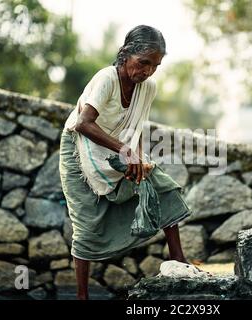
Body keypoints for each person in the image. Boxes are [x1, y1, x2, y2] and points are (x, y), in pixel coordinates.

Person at [59, 25, 200, 300]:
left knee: (161, 184)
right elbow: (83, 124)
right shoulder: (106, 79)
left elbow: (135, 128)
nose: (147, 71)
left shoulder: (148, 87)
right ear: (125, 54)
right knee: (86, 223)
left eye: (155, 65)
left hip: (117, 147)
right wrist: (127, 152)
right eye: (143, 62)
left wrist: (138, 158)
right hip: (79, 147)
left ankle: (180, 262)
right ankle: (82, 296)